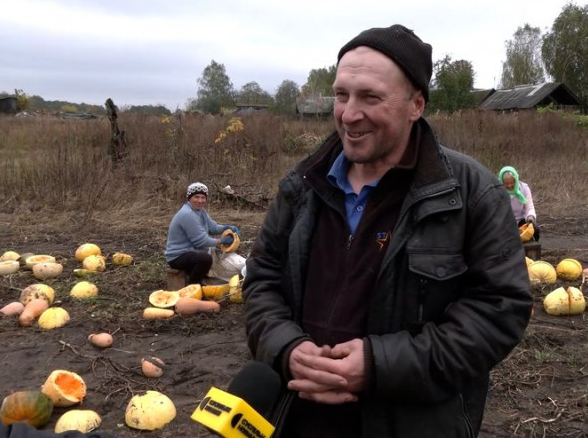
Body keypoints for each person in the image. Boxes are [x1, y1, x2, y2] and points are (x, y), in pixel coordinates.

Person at [243, 24, 532, 438]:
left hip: (410, 423)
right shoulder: (302, 184)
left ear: (416, 104)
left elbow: (498, 312)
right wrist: (287, 348)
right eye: (341, 94)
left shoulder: (470, 192)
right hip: (296, 417)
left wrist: (379, 365)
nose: (349, 114)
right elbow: (262, 280)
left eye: (370, 97)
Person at [164, 182, 241, 284]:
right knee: (205, 259)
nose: (200, 201)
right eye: (196, 197)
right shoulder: (188, 214)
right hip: (178, 256)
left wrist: (226, 227)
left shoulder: (200, 211)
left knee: (214, 255)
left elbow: (213, 227)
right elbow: (201, 242)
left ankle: (201, 276)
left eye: (203, 197)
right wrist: (222, 241)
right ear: (189, 198)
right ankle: (194, 284)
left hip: (191, 251)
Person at [499, 166, 539, 242]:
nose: (509, 186)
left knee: (535, 229)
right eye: (506, 183)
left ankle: (534, 249)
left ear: (516, 180)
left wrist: (530, 217)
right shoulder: (497, 190)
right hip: (505, 220)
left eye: (511, 183)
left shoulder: (524, 188)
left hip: (521, 220)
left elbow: (529, 207)